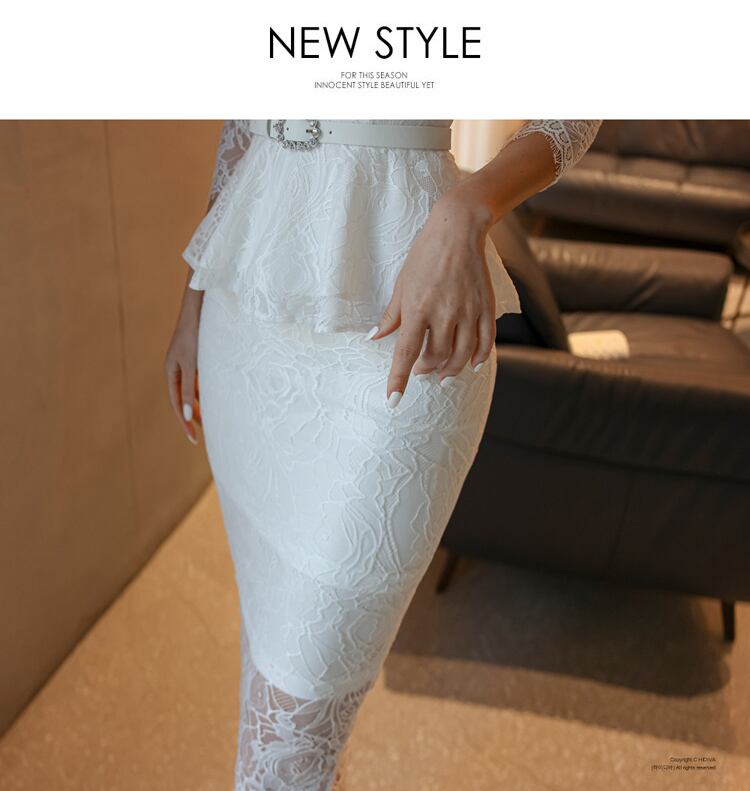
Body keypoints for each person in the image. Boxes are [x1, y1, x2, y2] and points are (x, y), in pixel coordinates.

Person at [164, 119, 601, 790]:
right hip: (248, 301)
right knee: (274, 656)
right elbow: (242, 127)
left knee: (288, 742)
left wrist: (472, 204)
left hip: (406, 300)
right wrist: (194, 295)